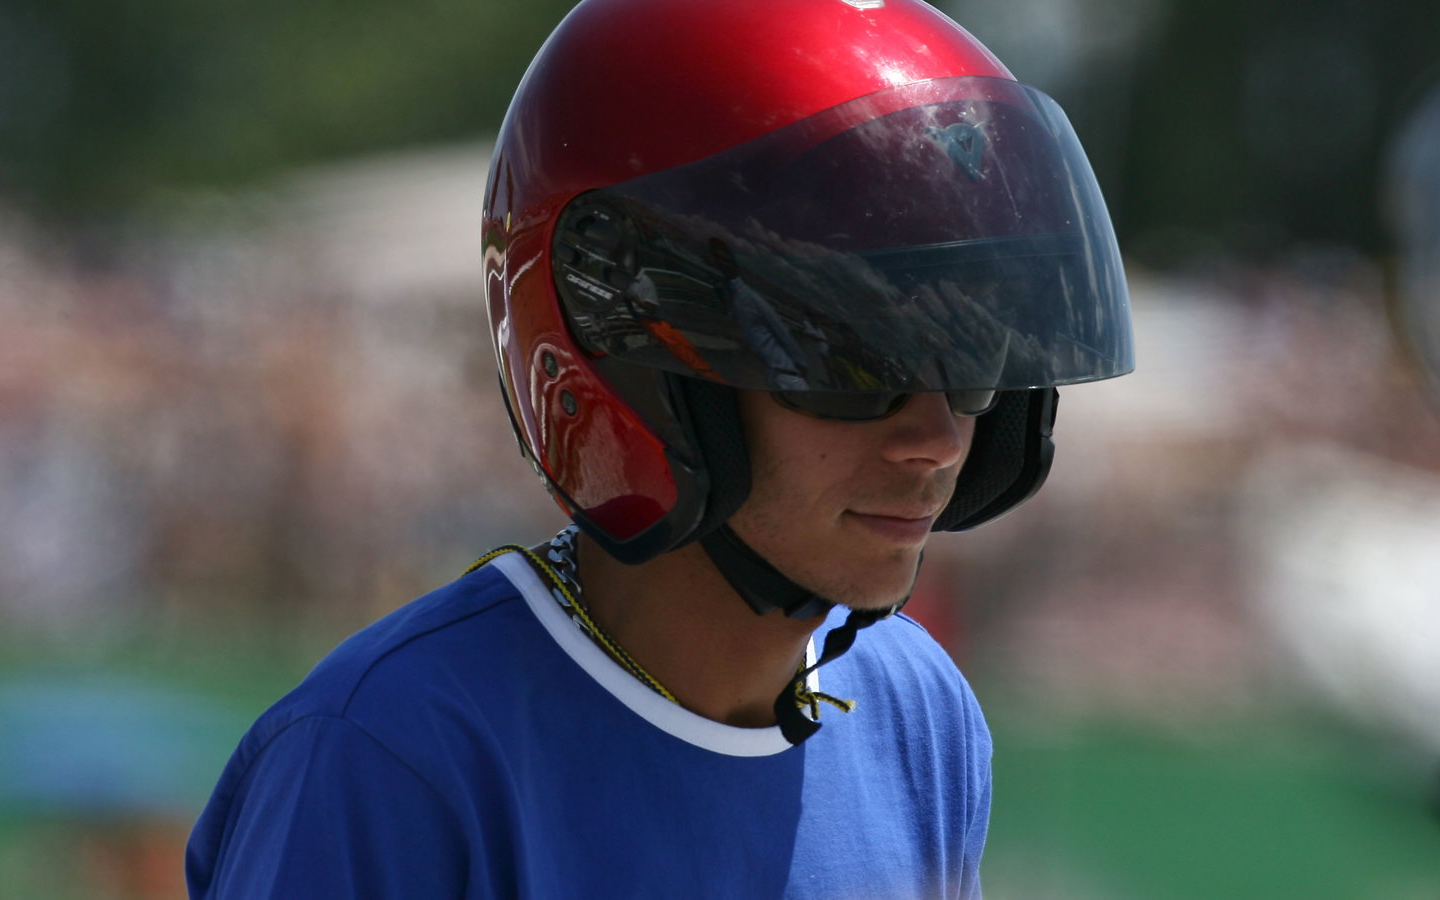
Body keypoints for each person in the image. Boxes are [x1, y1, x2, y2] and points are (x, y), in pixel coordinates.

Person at [185, 0, 1134, 896]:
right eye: (851, 367)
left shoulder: (919, 716)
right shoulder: (392, 753)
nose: (936, 443)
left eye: (973, 373)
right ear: (641, 367)